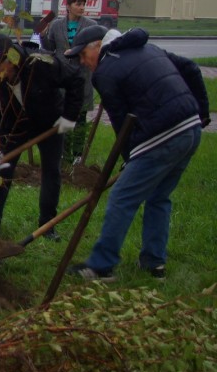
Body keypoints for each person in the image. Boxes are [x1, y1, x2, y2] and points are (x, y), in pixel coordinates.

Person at [64, 25, 210, 281]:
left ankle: (101, 266)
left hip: (161, 135)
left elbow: (122, 122)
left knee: (122, 197)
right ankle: (154, 264)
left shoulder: (106, 71)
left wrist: (130, 158)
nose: (84, 63)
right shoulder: (147, 48)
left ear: (98, 46)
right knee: (159, 196)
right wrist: (202, 113)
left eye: (83, 55)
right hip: (191, 129)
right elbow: (191, 68)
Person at [0, 33, 84, 240]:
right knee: (2, 169)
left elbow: (76, 79)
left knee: (51, 172)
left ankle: (47, 226)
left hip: (49, 123)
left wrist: (69, 116)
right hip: (14, 127)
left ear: (10, 60)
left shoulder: (41, 64)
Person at [42, 0, 97, 164]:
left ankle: (77, 155)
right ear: (68, 6)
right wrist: (43, 35)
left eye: (83, 4)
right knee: (63, 113)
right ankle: (63, 153)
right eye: (78, 4)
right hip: (63, 77)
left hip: (83, 75)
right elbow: (50, 47)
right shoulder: (57, 25)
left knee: (80, 116)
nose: (81, 8)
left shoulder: (91, 25)